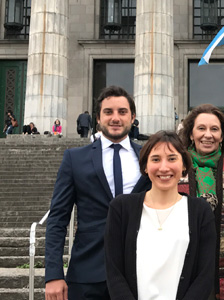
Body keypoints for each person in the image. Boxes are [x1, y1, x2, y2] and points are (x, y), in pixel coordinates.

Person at [44, 86, 152, 300]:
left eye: (122, 112)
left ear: (133, 117)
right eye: (108, 112)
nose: (115, 118)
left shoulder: (150, 158)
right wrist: (53, 274)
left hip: (141, 273)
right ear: (98, 118)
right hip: (88, 273)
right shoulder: (74, 159)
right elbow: (57, 219)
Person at [104, 130, 215, 300]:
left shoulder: (200, 210)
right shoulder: (121, 208)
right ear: (145, 166)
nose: (164, 167)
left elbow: (205, 275)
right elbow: (114, 272)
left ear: (184, 165)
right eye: (155, 159)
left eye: (172, 159)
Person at [178, 104, 224, 300]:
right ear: (191, 134)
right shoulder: (174, 169)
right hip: (182, 262)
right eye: (201, 128)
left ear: (223, 136)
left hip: (223, 265)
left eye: (214, 129)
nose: (207, 135)